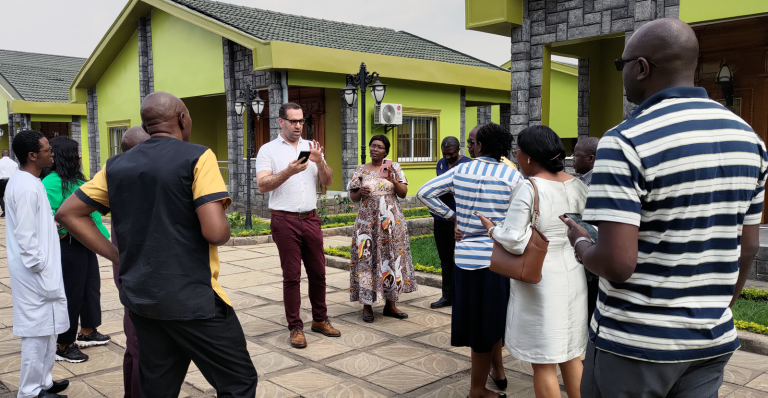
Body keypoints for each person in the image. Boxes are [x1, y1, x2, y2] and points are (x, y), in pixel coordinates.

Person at [562, 19, 767, 398]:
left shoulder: (625, 141)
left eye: (622, 65)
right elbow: (748, 247)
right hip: (710, 342)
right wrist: (713, 311)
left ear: (641, 68)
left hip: (635, 346)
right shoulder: (749, 138)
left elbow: (617, 264)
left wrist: (581, 244)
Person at [55, 92, 258, 397]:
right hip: (193, 298)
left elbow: (69, 212)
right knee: (238, 382)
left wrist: (116, 255)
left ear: (147, 125)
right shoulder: (198, 156)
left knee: (157, 387)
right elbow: (216, 233)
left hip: (142, 299)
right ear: (182, 119)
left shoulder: (116, 166)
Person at [418, 123, 523, 398]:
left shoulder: (461, 170)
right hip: (498, 258)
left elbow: (424, 193)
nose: (470, 146)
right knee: (491, 320)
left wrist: (453, 216)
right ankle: (477, 390)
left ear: (479, 146)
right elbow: (521, 215)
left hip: (464, 258)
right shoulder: (512, 176)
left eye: (472, 142)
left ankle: (497, 370)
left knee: (483, 320)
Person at [484, 125, 588, 398]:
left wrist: (493, 230)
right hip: (574, 272)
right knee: (570, 354)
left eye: (517, 151)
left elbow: (516, 240)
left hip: (541, 279)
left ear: (529, 156)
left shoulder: (529, 188)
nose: (516, 156)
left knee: (543, 361)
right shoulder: (577, 184)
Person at [255, 102, 340, 349]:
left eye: (301, 121)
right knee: (292, 277)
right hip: (285, 220)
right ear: (281, 122)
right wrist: (289, 172)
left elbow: (328, 180)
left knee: (319, 273)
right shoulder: (268, 150)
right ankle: (295, 327)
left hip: (311, 218)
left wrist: (320, 161)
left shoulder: (310, 147)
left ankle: (320, 319)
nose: (298, 125)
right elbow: (263, 185)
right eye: (293, 121)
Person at [6, 130, 70, 398]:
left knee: (49, 330)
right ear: (33, 156)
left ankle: (44, 381)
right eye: (46, 150)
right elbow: (25, 236)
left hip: (43, 272)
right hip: (35, 274)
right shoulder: (25, 186)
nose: (51, 153)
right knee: (36, 335)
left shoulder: (31, 182)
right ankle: (30, 391)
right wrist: (40, 267)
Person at [39, 137, 110, 364]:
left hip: (87, 241)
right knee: (71, 294)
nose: (80, 157)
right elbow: (48, 215)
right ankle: (63, 344)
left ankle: (88, 331)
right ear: (66, 156)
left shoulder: (76, 179)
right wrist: (63, 228)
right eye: (76, 153)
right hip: (68, 246)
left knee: (90, 288)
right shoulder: (51, 182)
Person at [348, 134, 417, 322]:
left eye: (379, 146)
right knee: (367, 260)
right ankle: (367, 305)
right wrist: (359, 192)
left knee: (391, 258)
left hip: (391, 223)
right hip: (367, 224)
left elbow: (403, 194)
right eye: (372, 146)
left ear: (386, 150)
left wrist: (394, 180)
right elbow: (353, 196)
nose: (374, 149)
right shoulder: (361, 169)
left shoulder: (394, 168)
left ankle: (391, 305)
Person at [110, 126, 150, 397]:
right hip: (138, 282)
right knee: (141, 350)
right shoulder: (133, 183)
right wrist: (116, 256)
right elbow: (70, 214)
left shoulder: (123, 178)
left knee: (135, 349)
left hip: (132, 277)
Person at [430, 136, 471, 309]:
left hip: (461, 220)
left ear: (458, 150)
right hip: (441, 219)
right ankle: (447, 296)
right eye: (445, 154)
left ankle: (464, 297)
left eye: (451, 154)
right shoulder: (440, 163)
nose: (447, 157)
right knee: (445, 260)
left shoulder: (468, 165)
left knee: (462, 260)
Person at [571, 136, 599, 328]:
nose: (572, 159)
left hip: (593, 257)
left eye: (576, 155)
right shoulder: (581, 182)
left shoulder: (592, 185)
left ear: (591, 158)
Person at [0, 149, 18, 217]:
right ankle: (13, 211)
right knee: (11, 196)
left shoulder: (0, 162)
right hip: (11, 180)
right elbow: (17, 173)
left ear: (2, 155)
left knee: (0, 196)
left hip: (1, 180)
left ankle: (4, 210)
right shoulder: (14, 163)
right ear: (9, 155)